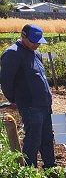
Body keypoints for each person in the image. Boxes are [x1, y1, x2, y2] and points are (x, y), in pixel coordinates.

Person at [0, 24, 55, 168]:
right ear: (23, 36)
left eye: (38, 42)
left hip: (44, 103)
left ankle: (51, 169)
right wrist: (13, 99)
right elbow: (6, 80)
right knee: (33, 140)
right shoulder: (12, 53)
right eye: (33, 41)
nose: (36, 44)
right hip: (30, 105)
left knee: (47, 138)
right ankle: (30, 173)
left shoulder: (35, 54)